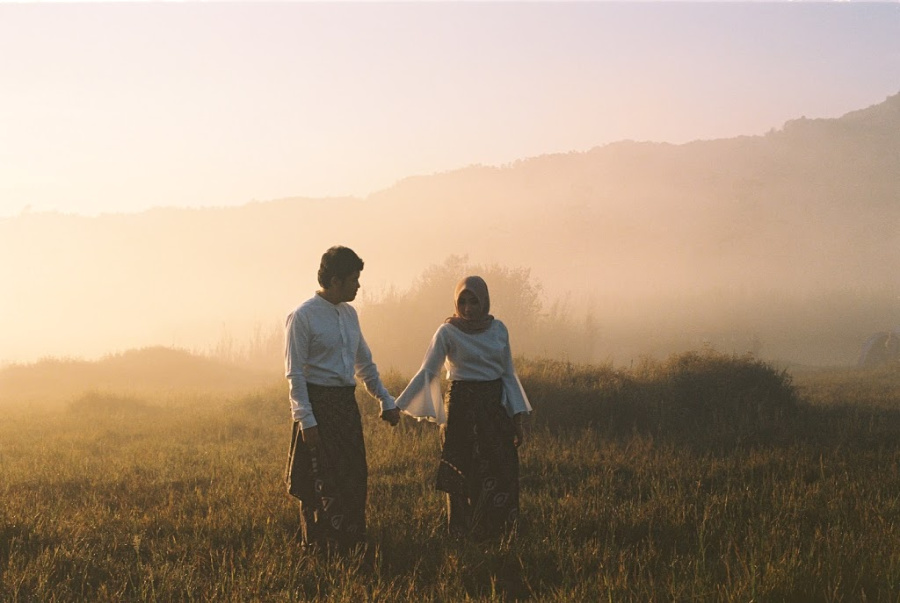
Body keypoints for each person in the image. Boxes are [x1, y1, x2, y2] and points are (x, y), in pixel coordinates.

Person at [396, 275, 532, 539]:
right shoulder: (447, 331)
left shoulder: (499, 329)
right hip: (460, 408)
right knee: (462, 470)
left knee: (501, 467)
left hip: (493, 408)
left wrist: (517, 416)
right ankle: (461, 533)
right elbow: (428, 371)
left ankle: (499, 531)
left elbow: (508, 373)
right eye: (463, 302)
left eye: (474, 302)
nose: (468, 308)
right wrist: (398, 404)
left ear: (485, 302)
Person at [284, 245, 400, 551]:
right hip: (317, 406)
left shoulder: (350, 315)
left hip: (345, 407)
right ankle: (319, 546)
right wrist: (306, 420)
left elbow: (364, 364)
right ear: (335, 280)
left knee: (352, 475)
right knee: (319, 478)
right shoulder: (302, 317)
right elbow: (294, 374)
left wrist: (385, 399)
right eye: (353, 279)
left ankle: (350, 541)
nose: (358, 285)